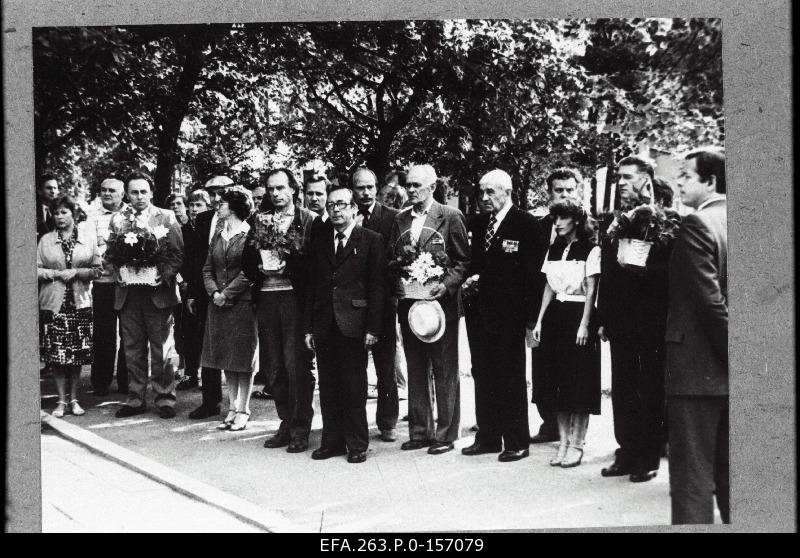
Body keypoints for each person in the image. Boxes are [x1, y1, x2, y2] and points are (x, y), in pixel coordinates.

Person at [597, 168, 678, 483]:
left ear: (647, 180)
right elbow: (607, 271)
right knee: (624, 387)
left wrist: (643, 266)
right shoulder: (615, 220)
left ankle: (648, 456)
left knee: (650, 387)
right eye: (619, 177)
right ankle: (627, 452)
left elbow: (673, 270)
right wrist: (603, 318)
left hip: (652, 319)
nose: (621, 183)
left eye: (629, 177)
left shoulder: (668, 220)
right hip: (620, 320)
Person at [388, 164, 470, 455]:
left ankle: (447, 434)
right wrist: (397, 281)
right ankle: (420, 431)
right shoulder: (399, 220)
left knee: (445, 368)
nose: (410, 190)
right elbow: (393, 259)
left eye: (416, 185)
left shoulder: (450, 216)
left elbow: (462, 261)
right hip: (411, 305)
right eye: (408, 185)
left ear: (432, 187)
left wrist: (446, 286)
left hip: (440, 307)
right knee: (416, 366)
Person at [665, 149, 728, 524]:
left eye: (687, 175)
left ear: (711, 182)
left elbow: (711, 305)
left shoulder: (699, 224)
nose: (679, 181)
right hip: (724, 375)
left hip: (697, 372)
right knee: (735, 479)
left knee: (693, 481)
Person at [462, 170, 541, 462]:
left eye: (490, 192)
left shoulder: (526, 224)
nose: (484, 198)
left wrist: (531, 320)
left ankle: (517, 440)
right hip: (478, 313)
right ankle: (488, 436)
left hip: (510, 316)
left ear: (507, 192)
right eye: (481, 192)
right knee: (482, 373)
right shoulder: (477, 223)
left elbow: (533, 276)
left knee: (510, 376)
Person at [304, 185, 385, 463]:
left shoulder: (371, 240)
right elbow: (313, 287)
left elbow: (377, 288)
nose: (336, 210)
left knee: (353, 386)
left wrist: (374, 328)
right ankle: (332, 442)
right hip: (325, 325)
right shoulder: (321, 242)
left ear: (353, 209)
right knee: (327, 387)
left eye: (341, 205)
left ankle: (357, 444)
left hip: (355, 325)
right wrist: (309, 328)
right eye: (331, 206)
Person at [242, 168, 316, 453]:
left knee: (296, 364)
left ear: (293, 189)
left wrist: (291, 265)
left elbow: (314, 265)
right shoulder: (259, 220)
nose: (275, 194)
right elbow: (246, 260)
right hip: (267, 299)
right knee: (273, 366)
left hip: (295, 302)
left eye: (281, 188)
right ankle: (285, 422)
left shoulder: (307, 220)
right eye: (271, 189)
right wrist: (258, 268)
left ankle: (300, 427)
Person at [108, 171, 184, 419]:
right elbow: (110, 255)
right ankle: (135, 398)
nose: (139, 197)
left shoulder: (167, 217)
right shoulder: (118, 219)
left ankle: (165, 397)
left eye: (143, 191)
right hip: (129, 293)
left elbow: (177, 254)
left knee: (162, 348)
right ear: (127, 194)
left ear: (151, 193)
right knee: (132, 347)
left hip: (157, 292)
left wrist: (165, 273)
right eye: (134, 192)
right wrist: (117, 272)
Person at [531, 198, 601, 468]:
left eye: (563, 217)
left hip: (577, 318)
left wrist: (585, 324)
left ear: (576, 220)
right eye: (554, 218)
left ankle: (577, 444)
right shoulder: (553, 248)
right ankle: (562, 442)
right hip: (554, 319)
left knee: (579, 383)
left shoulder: (591, 249)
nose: (557, 223)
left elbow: (591, 291)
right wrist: (538, 321)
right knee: (558, 382)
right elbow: (548, 286)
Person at [530, 167, 584, 444]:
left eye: (570, 190)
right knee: (543, 367)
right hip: (545, 308)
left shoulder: (589, 228)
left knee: (573, 368)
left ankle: (574, 432)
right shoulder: (539, 226)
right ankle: (549, 422)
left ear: (579, 192)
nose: (565, 195)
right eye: (558, 190)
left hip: (575, 307)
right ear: (549, 193)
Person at [38, 194, 102, 417]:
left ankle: (74, 399)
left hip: (79, 303)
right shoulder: (45, 240)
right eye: (56, 213)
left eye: (64, 212)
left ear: (73, 214)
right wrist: (56, 274)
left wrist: (76, 272)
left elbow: (97, 269)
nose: (59, 217)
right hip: (54, 303)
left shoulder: (87, 238)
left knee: (76, 354)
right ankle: (60, 400)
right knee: (57, 355)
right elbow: (34, 269)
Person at [200, 187, 259, 431]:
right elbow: (206, 269)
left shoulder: (250, 234)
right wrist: (214, 292)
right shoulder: (217, 234)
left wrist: (227, 294)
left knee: (243, 359)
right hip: (218, 305)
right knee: (226, 356)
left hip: (242, 305)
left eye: (222, 202)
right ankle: (232, 407)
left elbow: (250, 271)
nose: (217, 204)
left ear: (234, 206)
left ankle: (244, 409)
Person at [351, 167, 401, 442]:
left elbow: (395, 260)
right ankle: (355, 422)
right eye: (360, 188)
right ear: (353, 189)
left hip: (382, 301)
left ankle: (387, 421)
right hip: (353, 303)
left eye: (370, 187)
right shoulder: (345, 216)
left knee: (385, 365)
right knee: (355, 366)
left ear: (378, 188)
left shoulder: (392, 218)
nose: (366, 192)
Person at [184, 176, 232, 417]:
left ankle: (237, 404)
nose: (215, 199)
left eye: (220, 193)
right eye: (211, 194)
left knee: (234, 346)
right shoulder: (203, 219)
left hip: (233, 291)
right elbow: (194, 259)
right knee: (207, 346)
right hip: (205, 291)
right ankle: (210, 401)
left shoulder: (241, 219)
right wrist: (193, 292)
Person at [87, 178, 129, 396]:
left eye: (112, 190)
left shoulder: (131, 214)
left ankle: (126, 381)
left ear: (122, 194)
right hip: (103, 282)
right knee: (103, 333)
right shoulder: (92, 216)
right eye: (103, 190)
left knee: (129, 332)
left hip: (127, 282)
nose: (106, 193)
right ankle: (101, 382)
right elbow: (88, 244)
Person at [176, 189, 210, 394]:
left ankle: (209, 375)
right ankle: (190, 373)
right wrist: (182, 282)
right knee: (188, 332)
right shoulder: (183, 230)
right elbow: (177, 259)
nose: (194, 209)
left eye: (199, 205)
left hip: (207, 285)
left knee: (206, 333)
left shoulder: (212, 229)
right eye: (192, 205)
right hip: (187, 287)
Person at [37, 173, 60, 241]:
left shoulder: (59, 213)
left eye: (55, 188)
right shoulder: (33, 211)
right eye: (49, 188)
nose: (53, 191)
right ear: (40, 191)